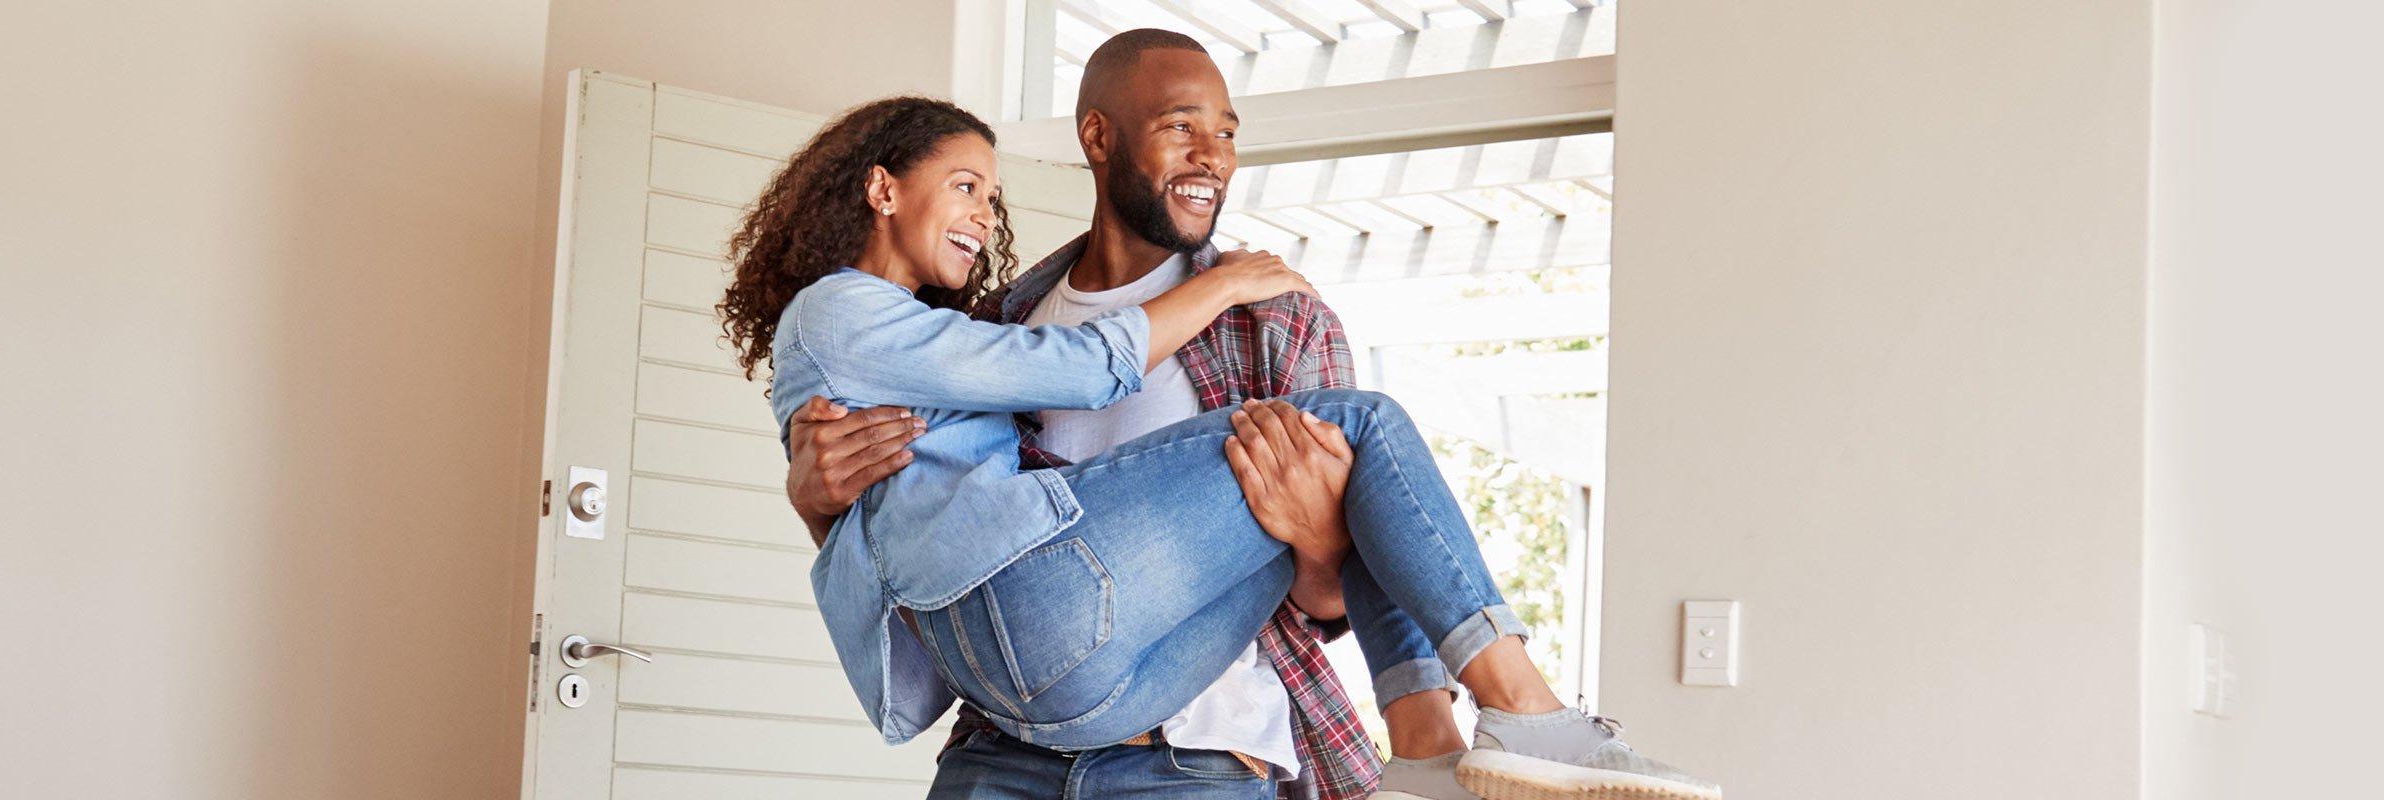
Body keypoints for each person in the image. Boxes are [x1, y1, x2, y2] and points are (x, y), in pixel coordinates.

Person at [718, 74, 1715, 800]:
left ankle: (1440, 738)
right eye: (1181, 125)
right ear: (1099, 137)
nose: (1213, 154)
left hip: (1185, 748)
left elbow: (1332, 586)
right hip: (1003, 749)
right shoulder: (995, 324)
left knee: (1358, 449)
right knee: (1365, 428)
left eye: (1228, 134)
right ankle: (1473, 728)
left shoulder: (1280, 324)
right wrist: (820, 506)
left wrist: (1320, 536)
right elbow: (949, 527)